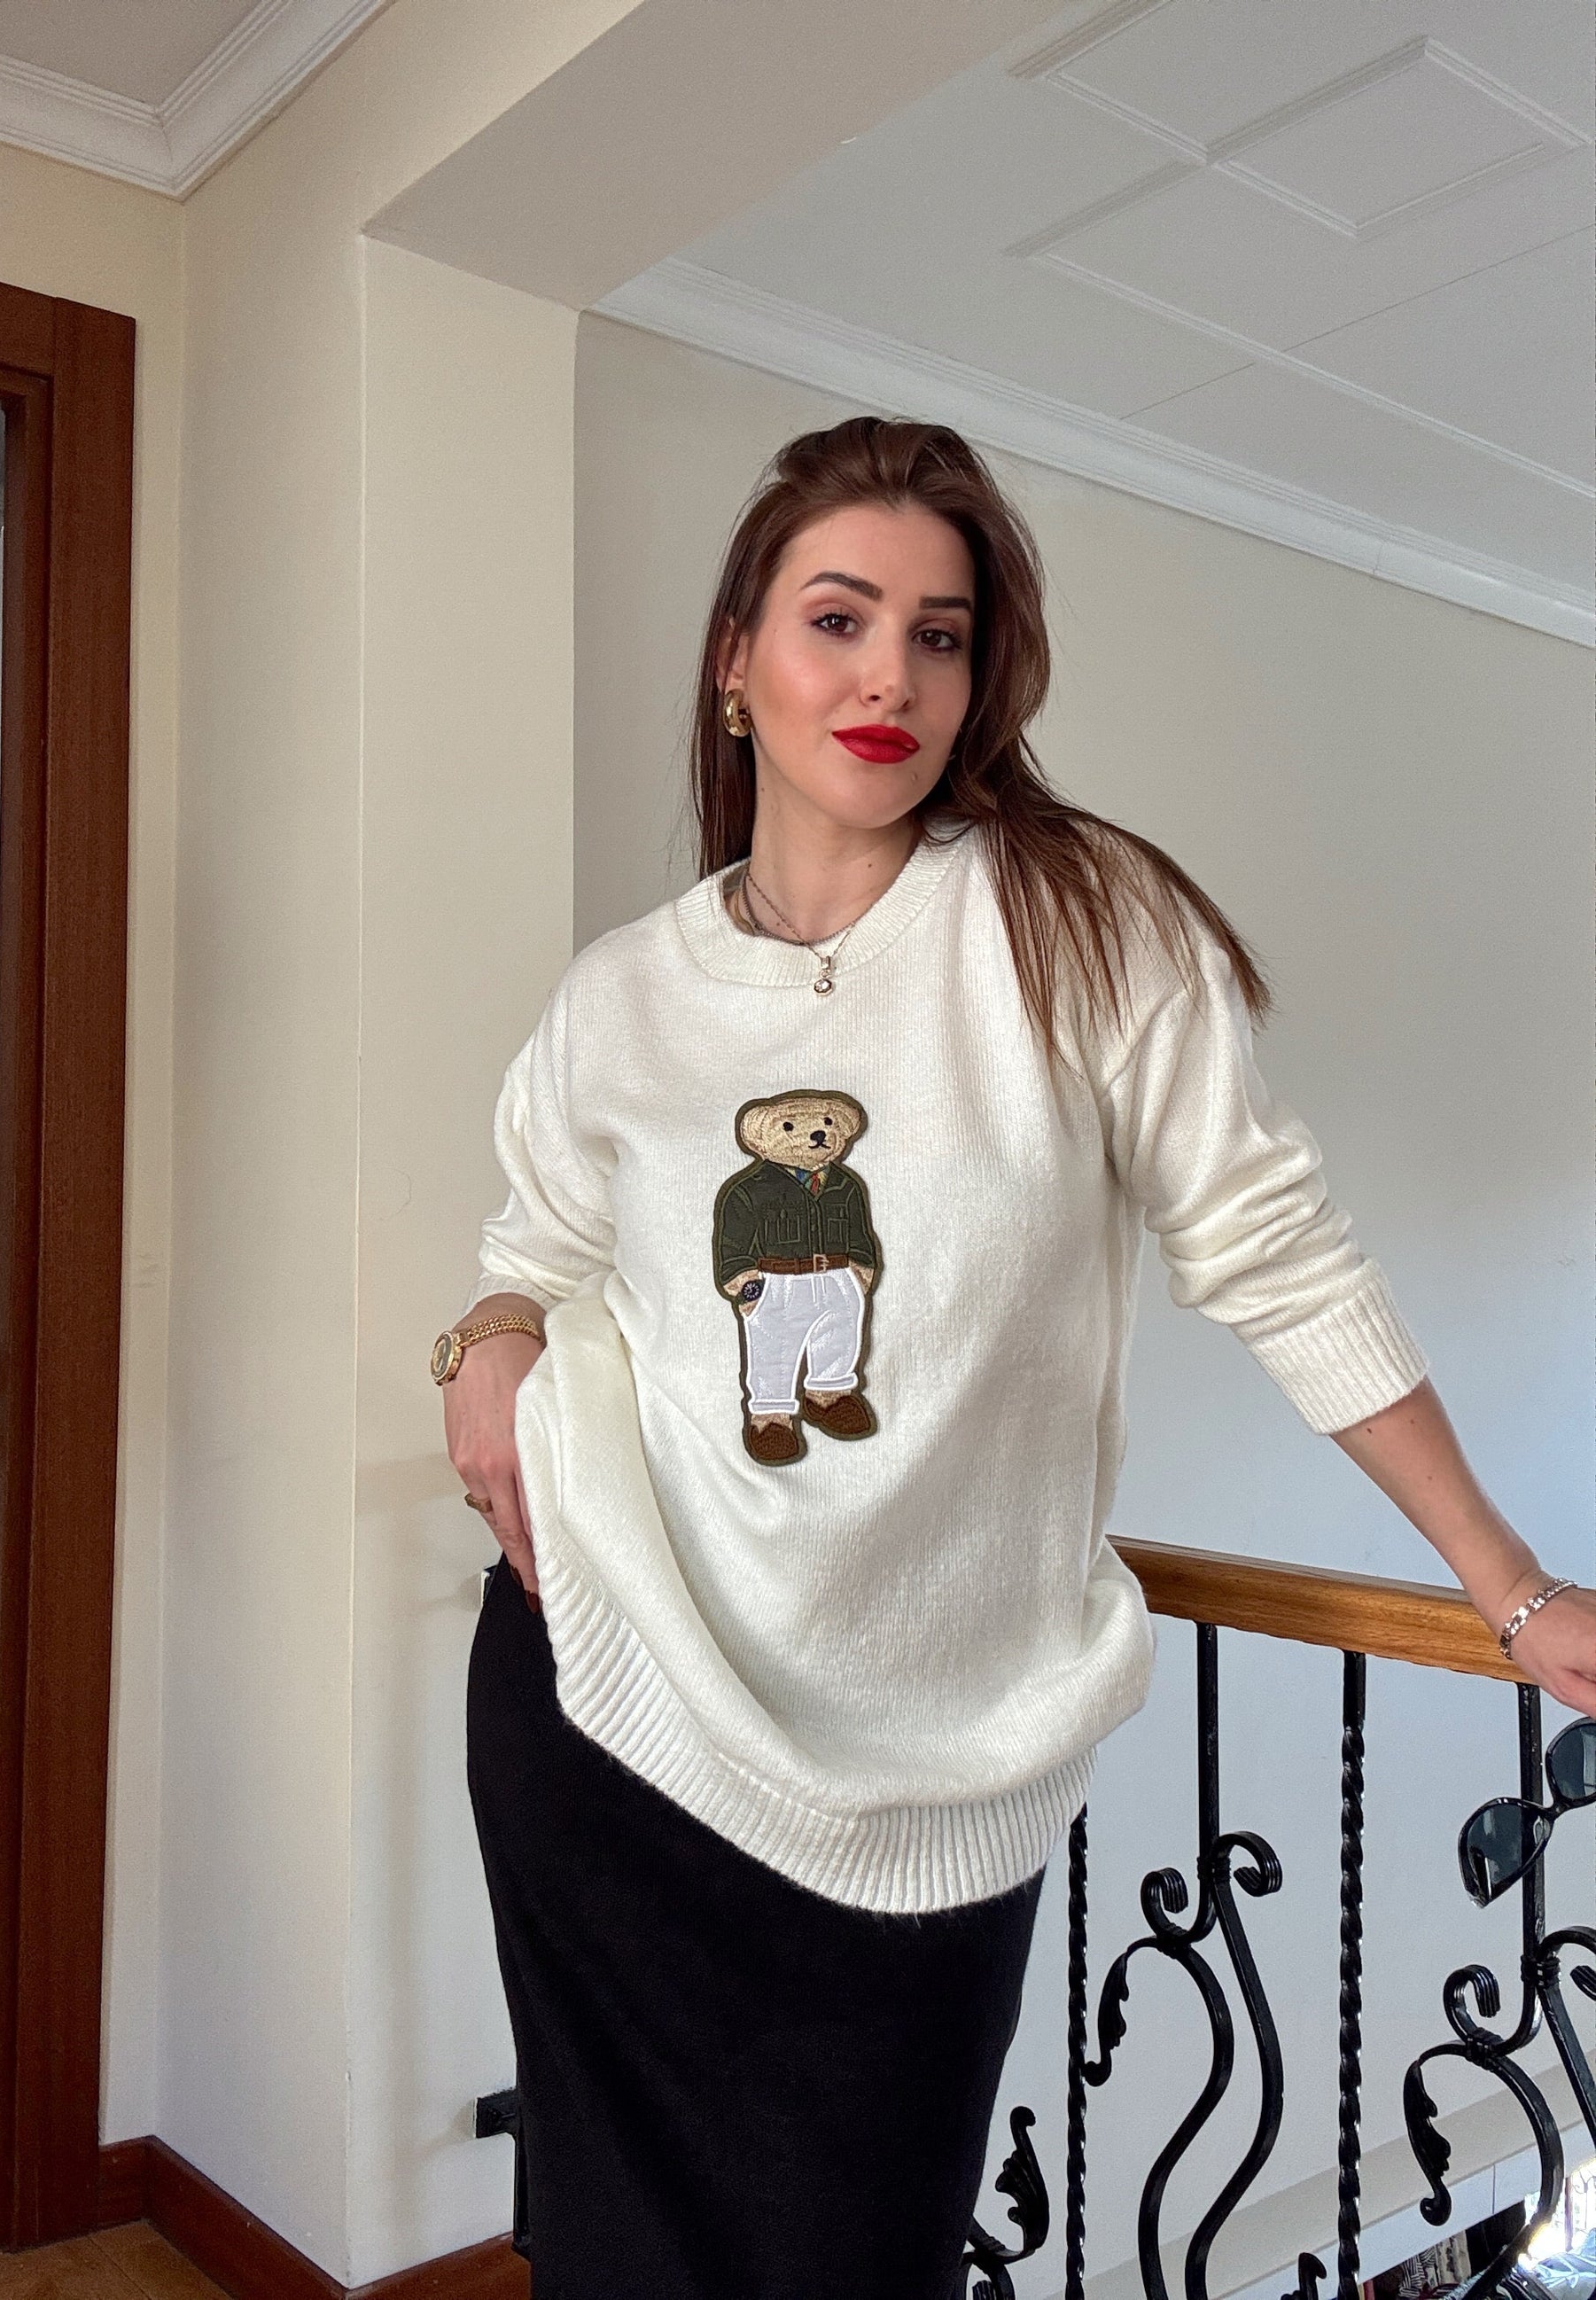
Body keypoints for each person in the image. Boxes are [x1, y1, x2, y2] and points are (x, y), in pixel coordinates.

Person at [441, 416, 1594, 2300]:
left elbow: (1276, 1255)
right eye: (836, 619)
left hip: (933, 1755)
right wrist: (485, 1343)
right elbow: (534, 1246)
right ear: (734, 659)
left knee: (856, 2255)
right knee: (614, 2249)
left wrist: (1509, 1580)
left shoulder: (1075, 921)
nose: (888, 676)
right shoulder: (621, 995)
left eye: (940, 634)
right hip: (606, 1703)